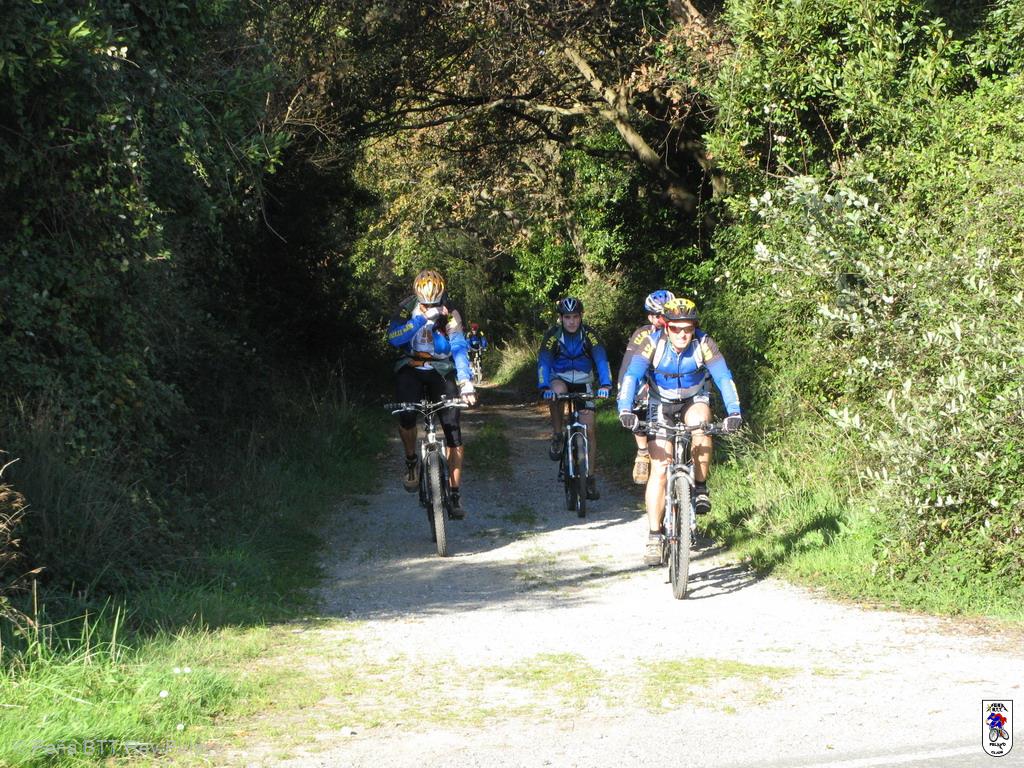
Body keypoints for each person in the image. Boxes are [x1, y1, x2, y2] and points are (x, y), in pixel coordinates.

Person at [616, 297, 742, 565]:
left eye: (688, 328)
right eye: (676, 328)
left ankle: (700, 487)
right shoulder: (652, 343)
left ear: (695, 327)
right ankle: (654, 535)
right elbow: (632, 376)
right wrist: (625, 409)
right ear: (666, 327)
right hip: (660, 402)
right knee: (660, 470)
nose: (683, 334)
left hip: (693, 399)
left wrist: (734, 412)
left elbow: (723, 377)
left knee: (701, 425)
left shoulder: (704, 343)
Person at [387, 269, 477, 518]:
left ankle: (455, 493)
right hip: (411, 366)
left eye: (434, 303)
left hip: (441, 369)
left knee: (453, 429)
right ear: (417, 296)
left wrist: (465, 381)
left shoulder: (450, 312)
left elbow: (458, 346)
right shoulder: (405, 309)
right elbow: (393, 338)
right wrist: (420, 320)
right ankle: (411, 462)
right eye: (425, 303)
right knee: (406, 414)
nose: (430, 307)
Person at [537, 297, 612, 500]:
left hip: (583, 381)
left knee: (590, 429)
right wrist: (544, 386)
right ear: (561, 318)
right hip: (559, 378)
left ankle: (590, 478)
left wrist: (605, 385)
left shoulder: (590, 335)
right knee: (557, 393)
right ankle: (557, 434)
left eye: (575, 317)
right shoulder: (553, 336)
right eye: (567, 317)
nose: (571, 321)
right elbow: (544, 361)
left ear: (581, 317)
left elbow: (601, 359)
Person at [617, 289, 674, 485]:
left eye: (667, 313)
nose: (663, 319)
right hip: (647, 380)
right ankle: (642, 452)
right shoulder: (642, 334)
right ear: (650, 317)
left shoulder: (682, 330)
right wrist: (624, 391)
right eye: (658, 315)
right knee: (638, 402)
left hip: (672, 384)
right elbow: (629, 365)